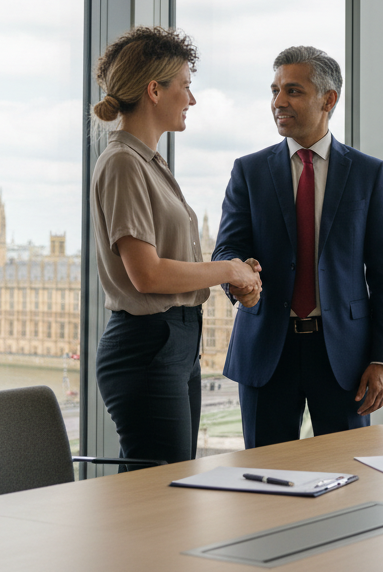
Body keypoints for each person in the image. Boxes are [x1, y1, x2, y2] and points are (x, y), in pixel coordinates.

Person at [89, 26, 262, 468]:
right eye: (185, 86)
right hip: (148, 346)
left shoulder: (149, 162)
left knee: (172, 489)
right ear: (154, 91)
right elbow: (147, 275)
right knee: (163, 496)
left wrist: (239, 272)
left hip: (176, 342)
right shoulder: (124, 163)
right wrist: (228, 271)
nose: (192, 98)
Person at [213, 46, 383, 449]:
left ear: (328, 100)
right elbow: (226, 248)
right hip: (266, 349)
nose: (278, 102)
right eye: (275, 90)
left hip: (344, 359)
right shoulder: (248, 171)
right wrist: (239, 278)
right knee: (263, 482)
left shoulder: (369, 174)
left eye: (293, 91)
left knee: (350, 479)